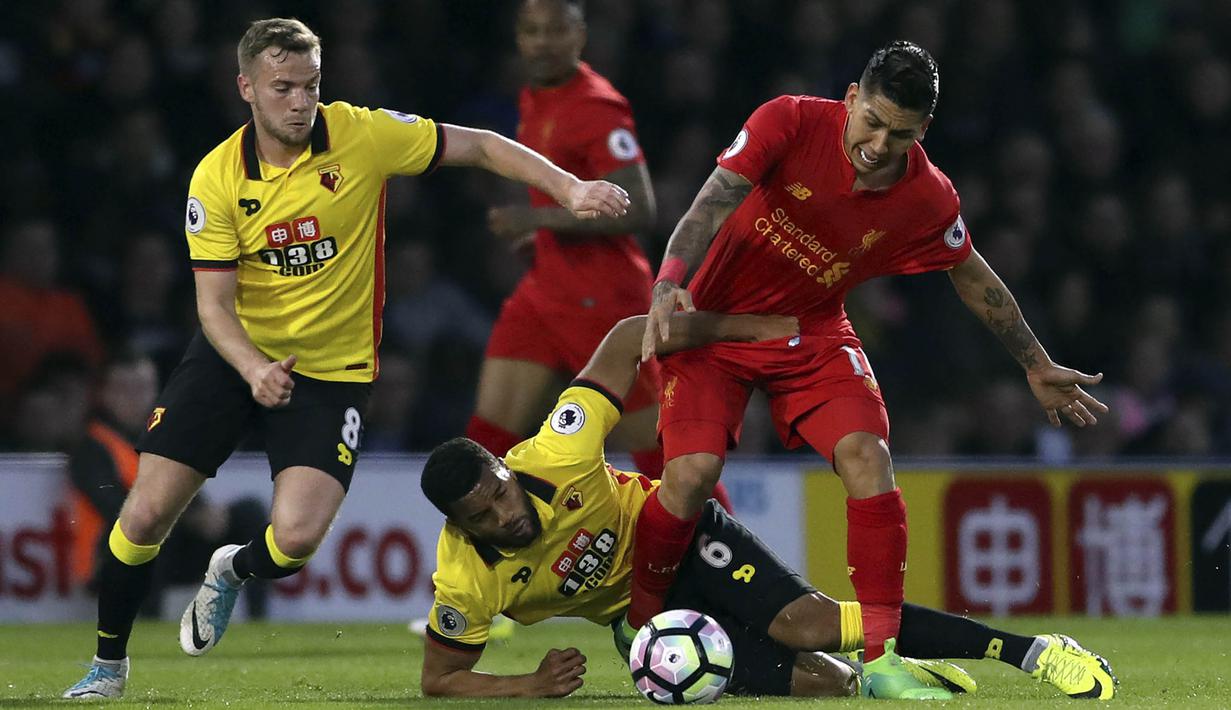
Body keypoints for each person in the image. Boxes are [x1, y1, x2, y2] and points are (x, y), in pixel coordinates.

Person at [63, 17, 630, 700]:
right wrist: (251, 370)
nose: (300, 102)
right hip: (233, 358)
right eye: (282, 88)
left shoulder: (362, 135)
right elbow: (212, 308)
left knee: (295, 540)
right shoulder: (215, 178)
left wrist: (568, 189)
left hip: (332, 375)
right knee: (145, 516)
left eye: (310, 86)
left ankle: (232, 570)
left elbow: (477, 146)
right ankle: (107, 666)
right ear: (246, 88)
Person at [630, 41, 1110, 699]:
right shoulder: (788, 121)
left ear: (923, 132)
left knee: (867, 455)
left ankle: (882, 660)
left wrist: (1034, 363)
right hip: (711, 326)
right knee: (689, 475)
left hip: (810, 331)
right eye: (873, 122)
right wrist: (667, 282)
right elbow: (711, 202)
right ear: (851, 98)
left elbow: (972, 277)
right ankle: (638, 621)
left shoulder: (925, 197)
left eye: (901, 134)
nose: (879, 144)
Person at [417, 312, 1117, 700]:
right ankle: (887, 670)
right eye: (481, 517)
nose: (503, 515)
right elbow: (439, 679)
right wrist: (527, 685)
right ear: (458, 526)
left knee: (806, 621)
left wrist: (723, 330)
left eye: (500, 494)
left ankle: (1032, 653)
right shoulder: (465, 579)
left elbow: (630, 335)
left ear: (506, 469)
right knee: (826, 687)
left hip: (681, 541)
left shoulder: (556, 452)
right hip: (646, 615)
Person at [467, 0, 738, 507]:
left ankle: (736, 556)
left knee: (661, 454)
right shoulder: (535, 95)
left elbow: (640, 208)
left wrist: (538, 219)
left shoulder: (595, 105)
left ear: (580, 35)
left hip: (604, 297)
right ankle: (478, 566)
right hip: (546, 288)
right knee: (486, 442)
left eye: (555, 31)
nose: (542, 42)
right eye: (531, 31)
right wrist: (543, 235)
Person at [65, 349, 268, 618]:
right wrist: (186, 515)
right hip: (108, 555)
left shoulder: (160, 435)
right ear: (105, 394)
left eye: (143, 388)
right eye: (125, 389)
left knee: (249, 513)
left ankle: (258, 617)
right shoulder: (91, 445)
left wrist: (204, 514)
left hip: (172, 540)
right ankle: (147, 623)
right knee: (151, 527)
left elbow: (185, 483)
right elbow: (112, 505)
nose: (136, 399)